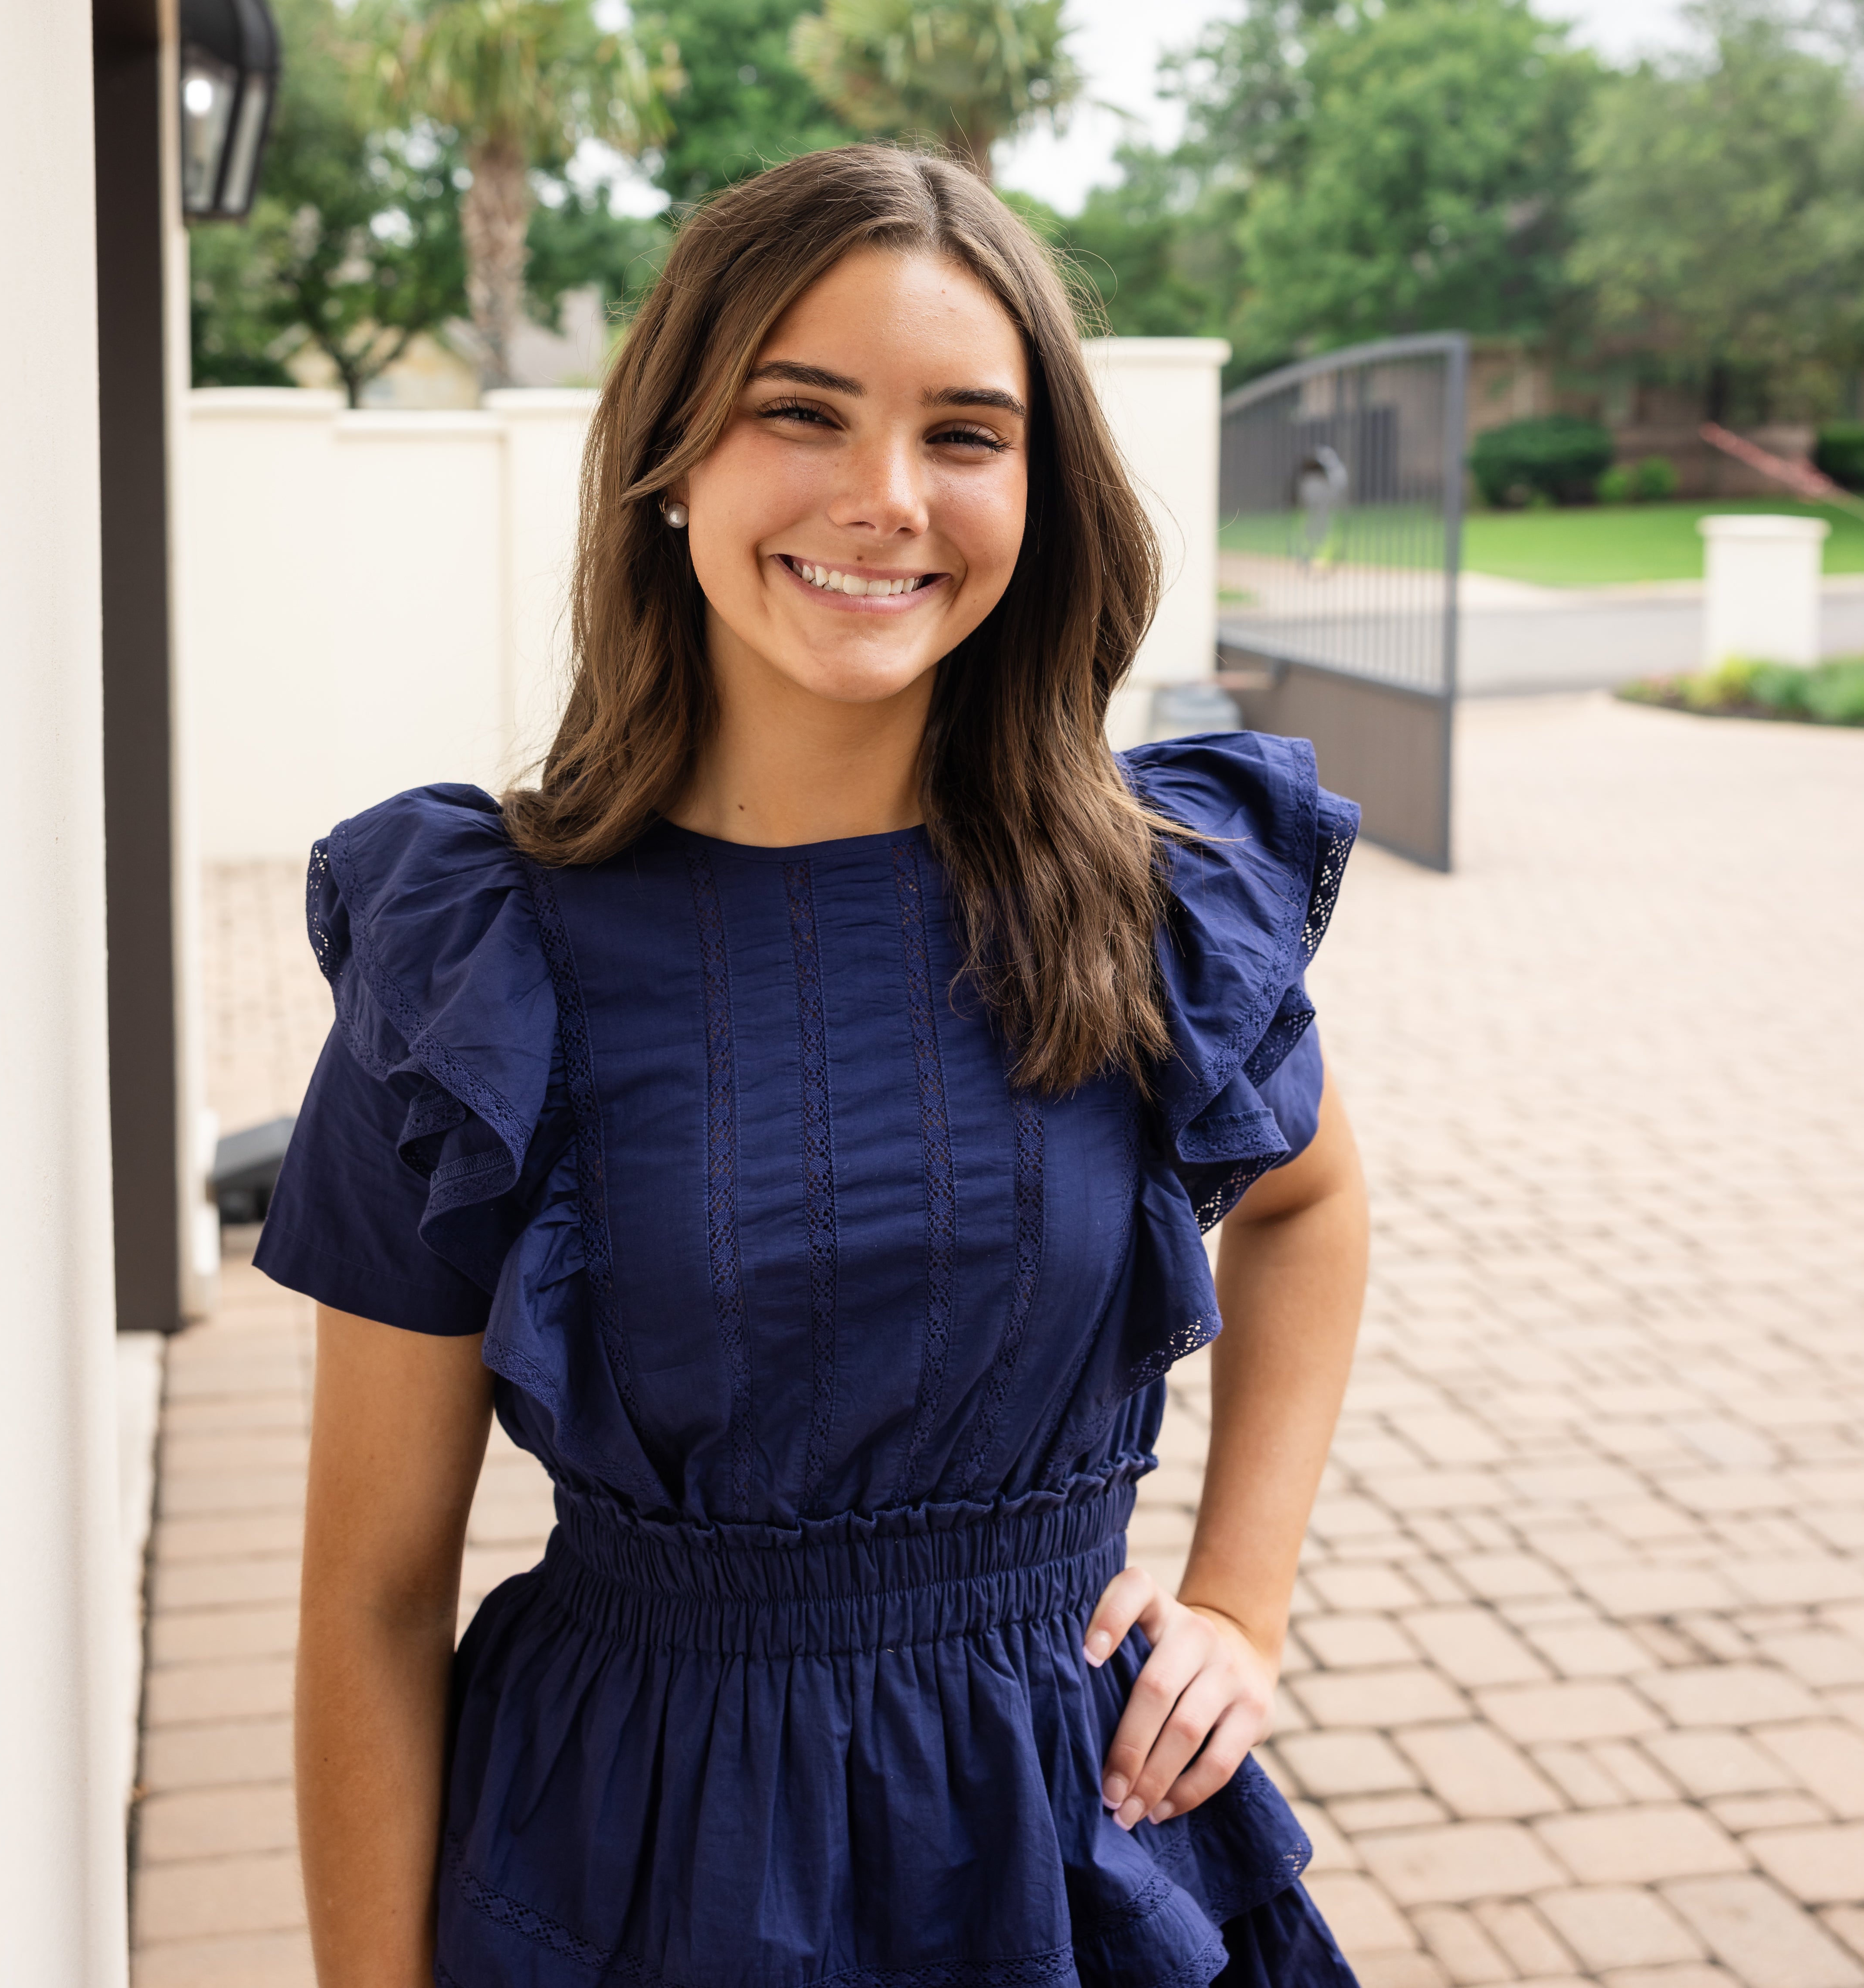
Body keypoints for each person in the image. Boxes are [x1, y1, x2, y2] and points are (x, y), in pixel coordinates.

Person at [260, 144, 1370, 1988]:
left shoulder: (1139, 899)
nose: (883, 499)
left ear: (1042, 493)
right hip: (635, 1858)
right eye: (803, 412)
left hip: (1062, 1847)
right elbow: (369, 1599)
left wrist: (1243, 1600)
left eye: (964, 433)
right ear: (672, 459)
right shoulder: (477, 964)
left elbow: (1315, 1206)